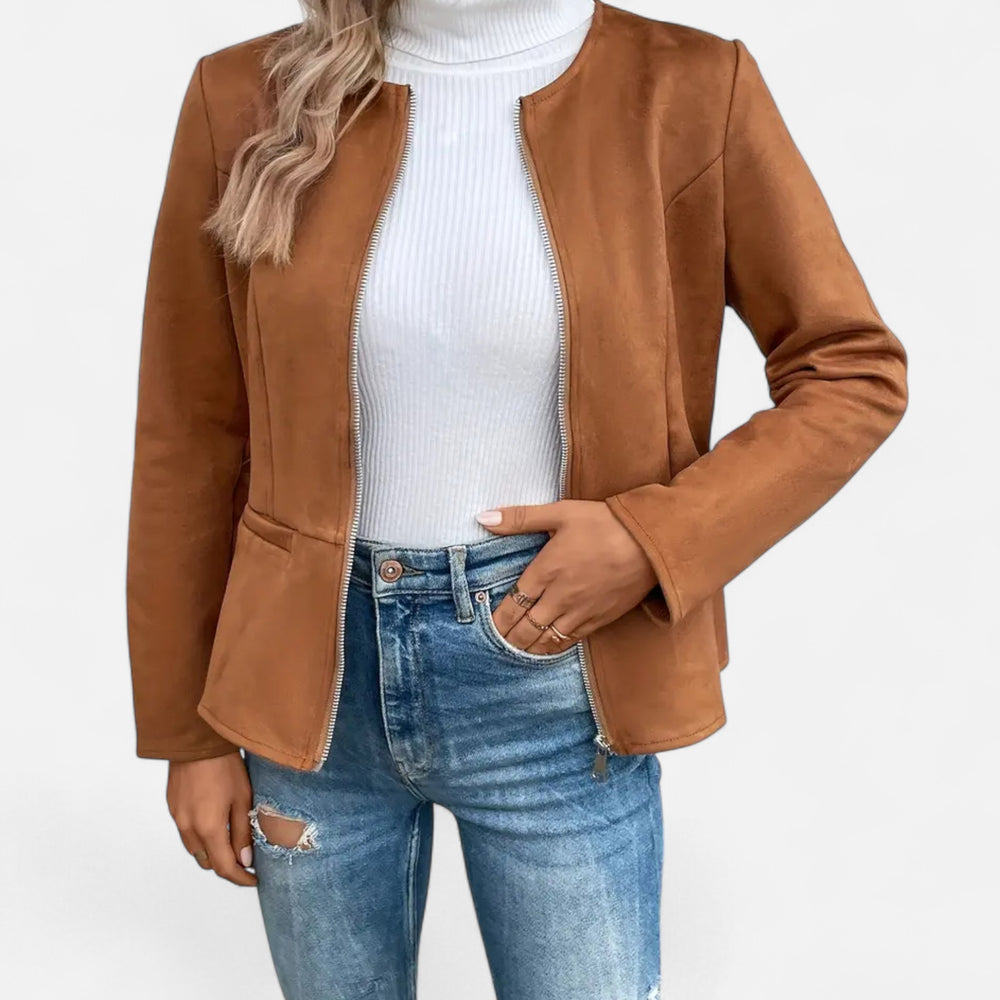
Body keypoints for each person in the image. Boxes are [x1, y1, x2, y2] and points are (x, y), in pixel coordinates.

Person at [125, 1, 908, 997]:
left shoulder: (688, 88)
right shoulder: (245, 94)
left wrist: (649, 539)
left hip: (558, 673)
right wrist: (187, 734)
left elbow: (851, 369)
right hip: (305, 692)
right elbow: (190, 434)